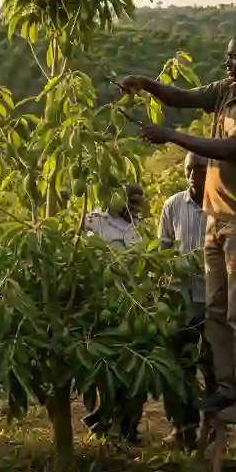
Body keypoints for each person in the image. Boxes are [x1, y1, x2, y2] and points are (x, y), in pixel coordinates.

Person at [120, 28, 236, 425]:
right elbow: (186, 97)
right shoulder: (229, 88)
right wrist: (146, 84)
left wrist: (171, 136)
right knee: (216, 310)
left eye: (235, 58)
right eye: (227, 57)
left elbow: (228, 150)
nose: (228, 64)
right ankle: (228, 386)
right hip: (216, 216)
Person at [82, 184, 149, 442]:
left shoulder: (139, 228)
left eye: (137, 202)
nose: (132, 206)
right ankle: (99, 421)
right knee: (101, 369)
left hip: (131, 305)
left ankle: (127, 426)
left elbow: (144, 264)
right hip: (100, 302)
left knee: (131, 370)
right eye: (129, 201)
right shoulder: (95, 220)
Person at [158, 153, 215, 450]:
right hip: (181, 300)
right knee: (180, 367)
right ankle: (183, 427)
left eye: (201, 169)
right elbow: (163, 250)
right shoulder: (173, 205)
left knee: (213, 365)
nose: (194, 175)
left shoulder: (221, 204)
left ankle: (213, 426)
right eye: (189, 170)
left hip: (213, 299)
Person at [82, 184, 146, 249]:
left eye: (126, 199)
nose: (124, 203)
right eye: (123, 196)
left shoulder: (135, 224)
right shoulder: (95, 219)